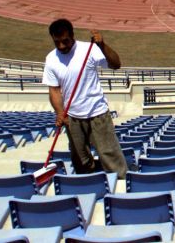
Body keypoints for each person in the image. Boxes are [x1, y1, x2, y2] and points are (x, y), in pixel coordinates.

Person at [42, 18, 128, 176]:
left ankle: (121, 185)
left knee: (110, 155)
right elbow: (54, 90)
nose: (62, 46)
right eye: (57, 42)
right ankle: (87, 185)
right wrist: (60, 113)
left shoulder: (89, 49)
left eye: (65, 41)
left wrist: (102, 45)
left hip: (98, 114)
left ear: (72, 35)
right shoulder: (51, 59)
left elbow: (116, 64)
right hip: (72, 118)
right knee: (80, 160)